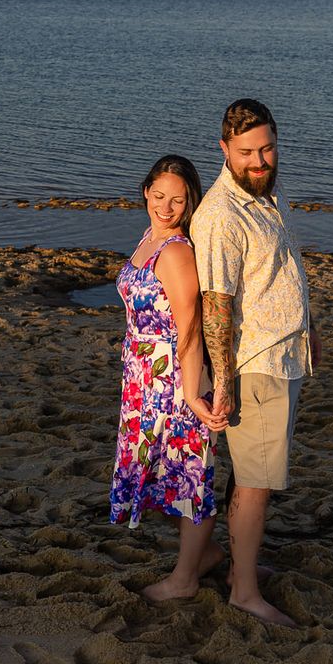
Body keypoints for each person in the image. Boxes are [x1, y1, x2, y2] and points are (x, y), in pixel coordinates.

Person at [194, 98, 319, 627]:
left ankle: (233, 566)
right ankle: (244, 591)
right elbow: (217, 306)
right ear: (225, 150)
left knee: (249, 476)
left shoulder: (264, 193)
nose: (259, 160)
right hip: (255, 362)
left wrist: (308, 329)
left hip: (283, 353)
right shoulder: (222, 216)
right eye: (247, 152)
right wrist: (222, 382)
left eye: (267, 148)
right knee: (255, 482)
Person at [108, 154, 229, 602]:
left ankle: (185, 579)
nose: (166, 207)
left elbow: (191, 327)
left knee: (185, 477)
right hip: (144, 380)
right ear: (145, 191)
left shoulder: (176, 252)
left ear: (189, 203)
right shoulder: (149, 237)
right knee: (153, 475)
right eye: (159, 196)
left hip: (174, 382)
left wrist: (193, 393)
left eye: (178, 201)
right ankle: (207, 555)